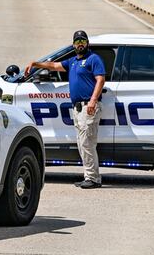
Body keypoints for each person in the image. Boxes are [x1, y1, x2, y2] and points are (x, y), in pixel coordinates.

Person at [25, 30, 106, 189]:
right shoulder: (73, 61)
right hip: (77, 109)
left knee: (86, 143)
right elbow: (54, 65)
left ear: (87, 43)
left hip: (88, 107)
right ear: (74, 45)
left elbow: (100, 79)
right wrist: (35, 63)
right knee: (83, 143)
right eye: (77, 42)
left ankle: (94, 179)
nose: (80, 44)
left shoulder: (93, 59)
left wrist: (92, 101)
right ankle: (89, 176)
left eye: (83, 41)